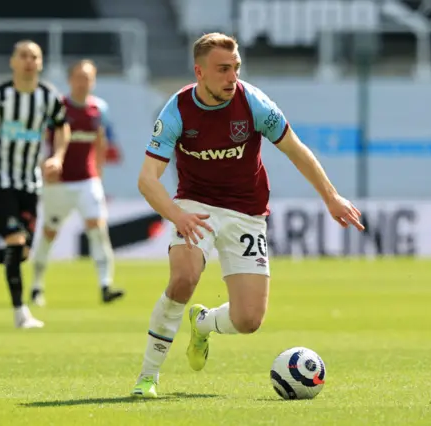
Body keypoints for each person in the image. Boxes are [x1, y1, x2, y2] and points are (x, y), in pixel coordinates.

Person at [130, 33, 365, 398]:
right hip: (196, 206)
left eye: (236, 67)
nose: (232, 77)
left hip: (246, 213)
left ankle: (203, 322)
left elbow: (296, 149)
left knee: (248, 320)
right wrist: (177, 214)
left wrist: (331, 197)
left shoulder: (253, 103)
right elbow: (147, 180)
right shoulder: (176, 110)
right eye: (223, 69)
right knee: (183, 279)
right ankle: (148, 376)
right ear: (200, 72)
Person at [0, 40, 71, 329]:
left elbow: (62, 126)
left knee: (21, 253)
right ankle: (20, 313)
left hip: (30, 182)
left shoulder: (49, 97)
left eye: (34, 57)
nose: (29, 61)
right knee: (15, 241)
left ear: (41, 63)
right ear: (13, 62)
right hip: (1, 180)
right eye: (23, 56)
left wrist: (58, 157)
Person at [30, 59, 124, 306]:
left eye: (89, 78)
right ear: (71, 79)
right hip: (58, 183)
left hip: (87, 180)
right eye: (80, 77)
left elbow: (100, 141)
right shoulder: (58, 107)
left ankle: (105, 285)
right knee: (49, 232)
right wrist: (43, 165)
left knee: (98, 229)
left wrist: (99, 173)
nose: (84, 83)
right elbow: (39, 139)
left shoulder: (99, 108)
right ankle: (37, 285)